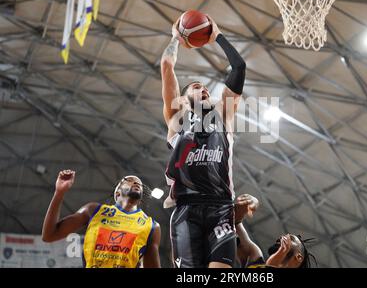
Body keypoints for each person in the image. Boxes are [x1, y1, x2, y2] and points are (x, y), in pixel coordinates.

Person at [160, 15, 246, 268]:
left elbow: (239, 67)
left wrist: (217, 35)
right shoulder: (176, 117)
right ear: (184, 99)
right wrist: (176, 38)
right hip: (187, 209)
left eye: (206, 87)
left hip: (221, 207)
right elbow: (166, 65)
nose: (204, 89)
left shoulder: (224, 112)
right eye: (196, 86)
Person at [42, 170, 161, 268]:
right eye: (129, 181)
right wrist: (59, 192)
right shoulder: (94, 211)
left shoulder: (151, 226)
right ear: (117, 193)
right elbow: (49, 235)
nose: (136, 183)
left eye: (139, 184)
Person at [235, 193, 317, 268]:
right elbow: (235, 221)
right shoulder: (254, 257)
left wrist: (273, 263)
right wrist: (249, 203)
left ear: (298, 257)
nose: (281, 237)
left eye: (291, 239)